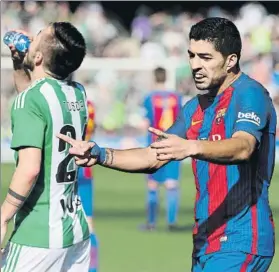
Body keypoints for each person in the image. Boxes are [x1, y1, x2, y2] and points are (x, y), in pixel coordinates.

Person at [57, 17, 277, 272]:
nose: (195, 65)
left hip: (241, 239)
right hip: (206, 241)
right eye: (192, 56)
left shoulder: (249, 93)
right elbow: (153, 157)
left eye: (205, 58)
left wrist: (191, 146)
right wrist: (100, 153)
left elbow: (243, 146)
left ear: (231, 60)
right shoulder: (194, 108)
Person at [1, 22, 91, 272]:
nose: (31, 37)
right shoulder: (78, 93)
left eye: (38, 35)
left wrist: (3, 216)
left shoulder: (31, 99)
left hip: (38, 232)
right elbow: (33, 99)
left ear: (38, 57)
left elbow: (29, 169)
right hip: (74, 230)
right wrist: (20, 62)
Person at [140, 67, 182, 231]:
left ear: (154, 78)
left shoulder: (150, 98)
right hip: (172, 143)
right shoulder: (176, 97)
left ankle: (151, 223)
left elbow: (145, 123)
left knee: (152, 184)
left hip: (155, 145)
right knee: (171, 184)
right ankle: (171, 223)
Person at [77, 100, 98, 272]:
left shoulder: (54, 100)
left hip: (62, 167)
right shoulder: (88, 104)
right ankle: (92, 269)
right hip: (84, 167)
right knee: (88, 223)